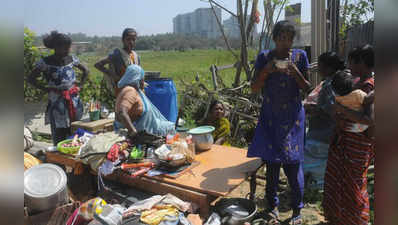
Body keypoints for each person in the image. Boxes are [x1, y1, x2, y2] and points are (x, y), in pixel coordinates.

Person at [248, 20, 311, 225]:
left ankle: (297, 211)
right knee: (272, 163)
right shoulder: (264, 57)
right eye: (282, 38)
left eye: (290, 38)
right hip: (271, 118)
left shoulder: (300, 57)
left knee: (293, 165)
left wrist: (295, 72)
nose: (286, 42)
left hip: (293, 119)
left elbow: (307, 87)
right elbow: (254, 88)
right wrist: (267, 70)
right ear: (274, 38)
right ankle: (272, 207)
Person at [322, 45, 375, 225]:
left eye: (351, 61)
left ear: (361, 62)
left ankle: (357, 220)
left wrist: (340, 109)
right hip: (345, 141)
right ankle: (341, 218)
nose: (349, 66)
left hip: (356, 145)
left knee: (354, 185)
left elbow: (369, 120)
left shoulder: (369, 87)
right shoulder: (357, 83)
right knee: (340, 181)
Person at [28, 31, 89, 145]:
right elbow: (31, 78)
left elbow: (86, 70)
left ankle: (74, 153)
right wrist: (45, 89)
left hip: (73, 100)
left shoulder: (71, 59)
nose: (67, 50)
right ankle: (59, 157)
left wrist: (80, 85)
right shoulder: (45, 62)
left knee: (75, 128)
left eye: (68, 47)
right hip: (57, 102)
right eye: (64, 47)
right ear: (55, 47)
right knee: (59, 131)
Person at [115, 64, 175, 137]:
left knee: (168, 126)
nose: (143, 81)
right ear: (137, 79)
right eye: (142, 79)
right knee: (169, 128)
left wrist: (141, 87)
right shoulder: (130, 91)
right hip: (139, 129)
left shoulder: (134, 90)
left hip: (144, 126)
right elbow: (122, 112)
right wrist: (132, 130)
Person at [304, 52, 346, 143]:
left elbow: (331, 108)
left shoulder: (331, 84)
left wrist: (310, 109)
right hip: (325, 134)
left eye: (320, 65)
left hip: (322, 135)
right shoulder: (332, 81)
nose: (318, 69)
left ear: (329, 68)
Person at [95, 28, 140, 108]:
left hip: (134, 90)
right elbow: (98, 65)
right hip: (122, 91)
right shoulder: (117, 54)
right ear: (123, 40)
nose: (131, 42)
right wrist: (114, 76)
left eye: (133, 39)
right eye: (128, 39)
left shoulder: (135, 56)